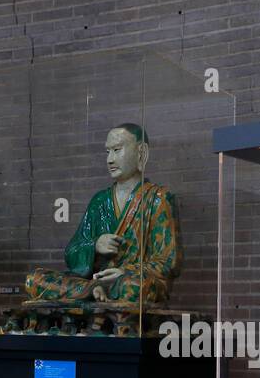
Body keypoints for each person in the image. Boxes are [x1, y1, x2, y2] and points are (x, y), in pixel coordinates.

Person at [25, 123, 181, 306]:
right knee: (34, 279)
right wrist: (94, 245)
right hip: (94, 281)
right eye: (108, 152)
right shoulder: (99, 201)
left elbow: (170, 262)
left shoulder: (158, 199)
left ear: (141, 152)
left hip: (127, 282)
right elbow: (71, 253)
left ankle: (90, 295)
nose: (110, 159)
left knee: (133, 287)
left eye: (117, 150)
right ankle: (91, 292)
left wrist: (125, 271)